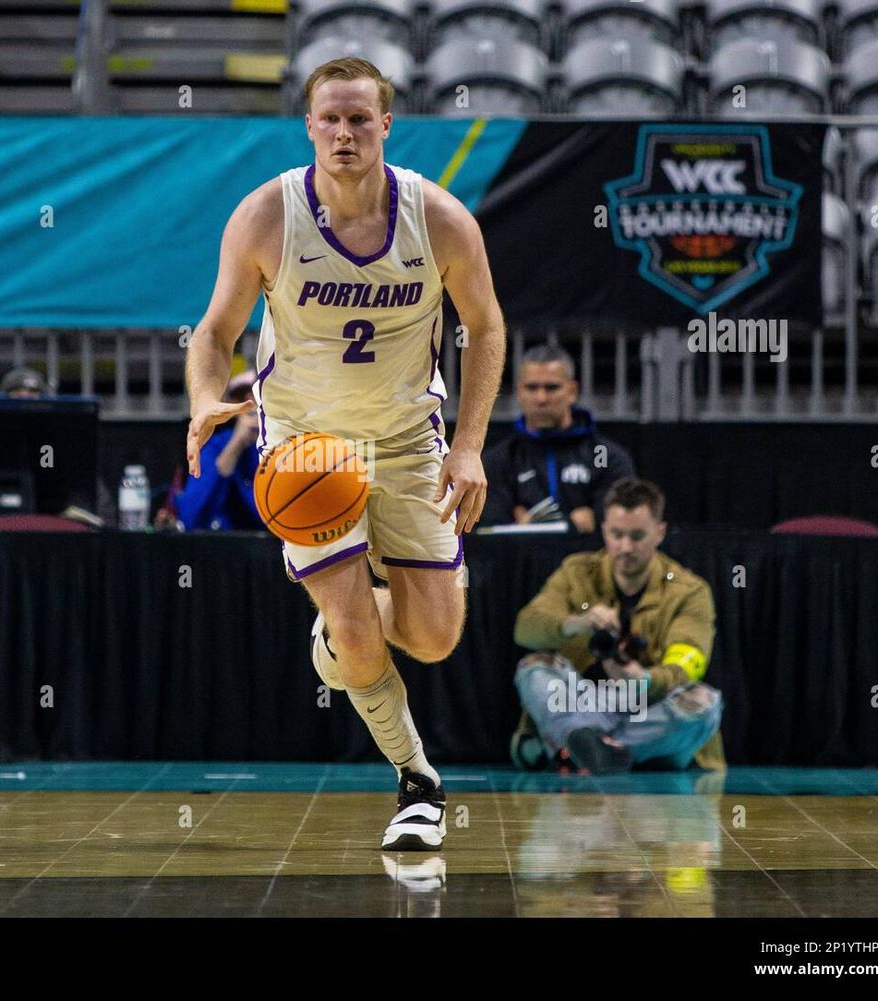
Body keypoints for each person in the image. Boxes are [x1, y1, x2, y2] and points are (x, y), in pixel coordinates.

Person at [184, 57, 506, 851]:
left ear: (387, 127)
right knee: (360, 630)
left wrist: (468, 446)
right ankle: (417, 779)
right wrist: (202, 396)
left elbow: (486, 327)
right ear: (308, 127)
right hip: (304, 445)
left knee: (432, 637)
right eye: (329, 118)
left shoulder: (438, 219)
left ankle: (338, 637)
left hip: (405, 438)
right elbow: (216, 330)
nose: (344, 132)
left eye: (360, 118)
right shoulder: (266, 215)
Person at [511, 478, 724, 774]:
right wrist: (576, 623)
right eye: (617, 534)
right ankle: (605, 747)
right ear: (603, 531)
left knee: (705, 704)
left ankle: (581, 747)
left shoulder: (690, 591)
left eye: (637, 536)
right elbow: (525, 629)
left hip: (648, 704)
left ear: (659, 532)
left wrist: (644, 680)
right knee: (534, 667)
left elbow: (690, 662)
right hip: (582, 699)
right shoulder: (576, 572)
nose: (625, 547)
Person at [482, 344, 634, 532]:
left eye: (551, 388)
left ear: (572, 391)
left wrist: (530, 526)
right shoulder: (498, 460)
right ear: (519, 392)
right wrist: (575, 523)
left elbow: (618, 523)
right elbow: (490, 529)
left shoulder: (607, 457)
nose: (541, 398)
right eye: (532, 388)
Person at [175, 371, 263, 530]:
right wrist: (235, 446)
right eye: (242, 400)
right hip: (224, 546)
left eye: (257, 398)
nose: (250, 406)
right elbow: (190, 519)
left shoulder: (286, 446)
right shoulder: (218, 445)